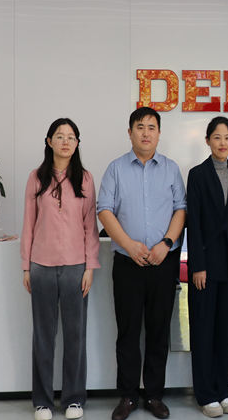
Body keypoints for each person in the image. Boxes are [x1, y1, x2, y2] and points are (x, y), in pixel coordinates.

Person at [97, 107, 186, 420]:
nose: (146, 133)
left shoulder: (171, 169)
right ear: (130, 132)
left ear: (159, 133)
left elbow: (181, 209)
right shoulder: (116, 169)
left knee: (158, 332)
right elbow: (104, 210)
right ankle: (128, 397)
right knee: (128, 331)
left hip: (163, 262)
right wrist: (129, 244)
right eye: (140, 127)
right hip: (127, 263)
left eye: (151, 127)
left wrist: (166, 243)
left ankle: (154, 396)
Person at [20, 118, 100, 420]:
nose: (65, 142)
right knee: (43, 336)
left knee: (76, 336)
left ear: (77, 143)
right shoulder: (36, 177)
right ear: (49, 141)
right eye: (59, 136)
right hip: (41, 266)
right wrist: (25, 266)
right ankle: (42, 401)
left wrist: (90, 266)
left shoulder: (86, 179)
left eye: (71, 137)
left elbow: (90, 226)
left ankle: (74, 399)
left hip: (76, 267)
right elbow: (28, 223)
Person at [186, 116, 228, 418]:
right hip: (205, 267)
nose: (222, 143)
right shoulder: (197, 175)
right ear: (208, 141)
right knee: (203, 330)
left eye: (227, 137)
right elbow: (194, 223)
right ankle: (205, 394)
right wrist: (197, 265)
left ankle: (222, 389)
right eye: (217, 137)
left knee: (225, 330)